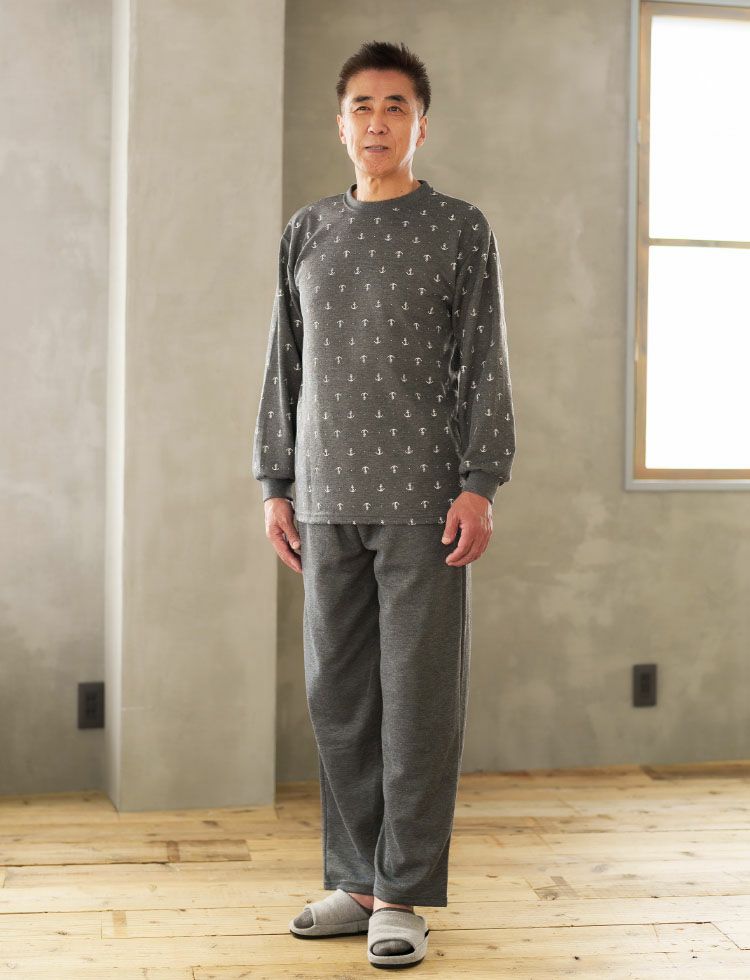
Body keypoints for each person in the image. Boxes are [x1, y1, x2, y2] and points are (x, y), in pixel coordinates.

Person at [252, 40, 516, 969]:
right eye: (362, 106)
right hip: (323, 501)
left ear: (420, 125)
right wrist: (275, 484)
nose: (377, 121)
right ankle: (357, 881)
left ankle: (402, 894)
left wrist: (480, 481)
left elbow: (484, 362)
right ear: (341, 124)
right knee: (339, 700)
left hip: (423, 505)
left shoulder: (459, 229)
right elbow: (285, 363)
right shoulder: (307, 231)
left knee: (418, 705)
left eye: (395, 106)